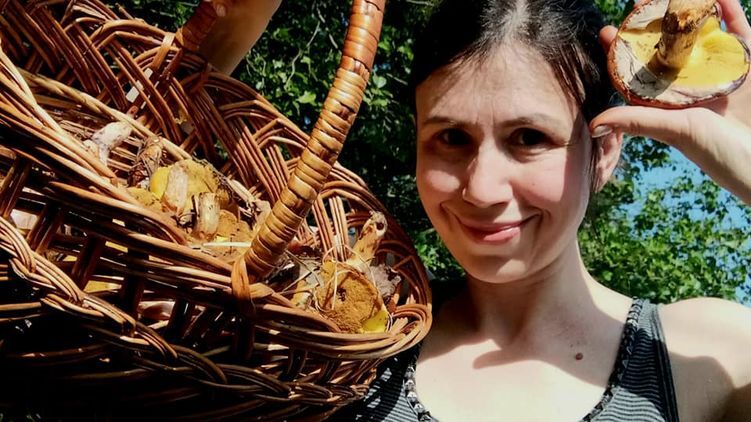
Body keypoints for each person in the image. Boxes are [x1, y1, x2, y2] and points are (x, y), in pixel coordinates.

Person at [203, 0, 751, 420]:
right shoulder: (344, 343)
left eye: (530, 137)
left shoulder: (713, 357)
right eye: (451, 138)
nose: (482, 189)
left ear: (604, 152)